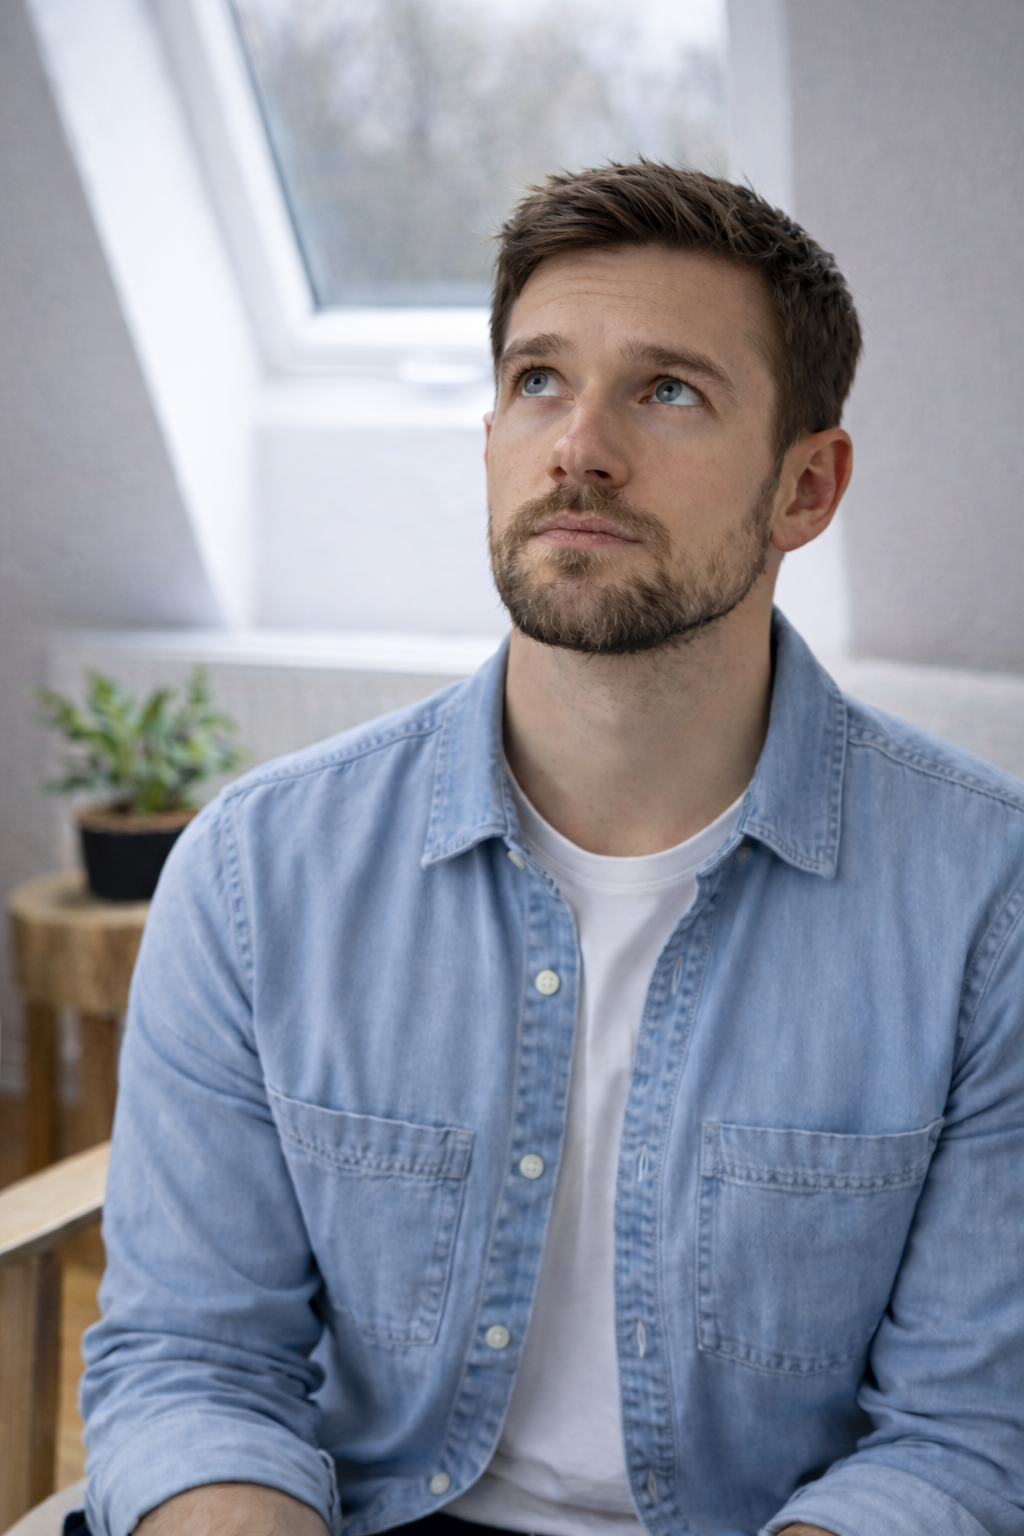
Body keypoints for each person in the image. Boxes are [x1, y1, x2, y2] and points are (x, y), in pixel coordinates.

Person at [79, 164, 1022, 1536]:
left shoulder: (985, 902)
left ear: (806, 487)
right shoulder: (255, 873)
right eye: (538, 381)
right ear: (490, 439)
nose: (580, 446)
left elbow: (963, 1441)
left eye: (668, 390)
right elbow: (194, 1367)